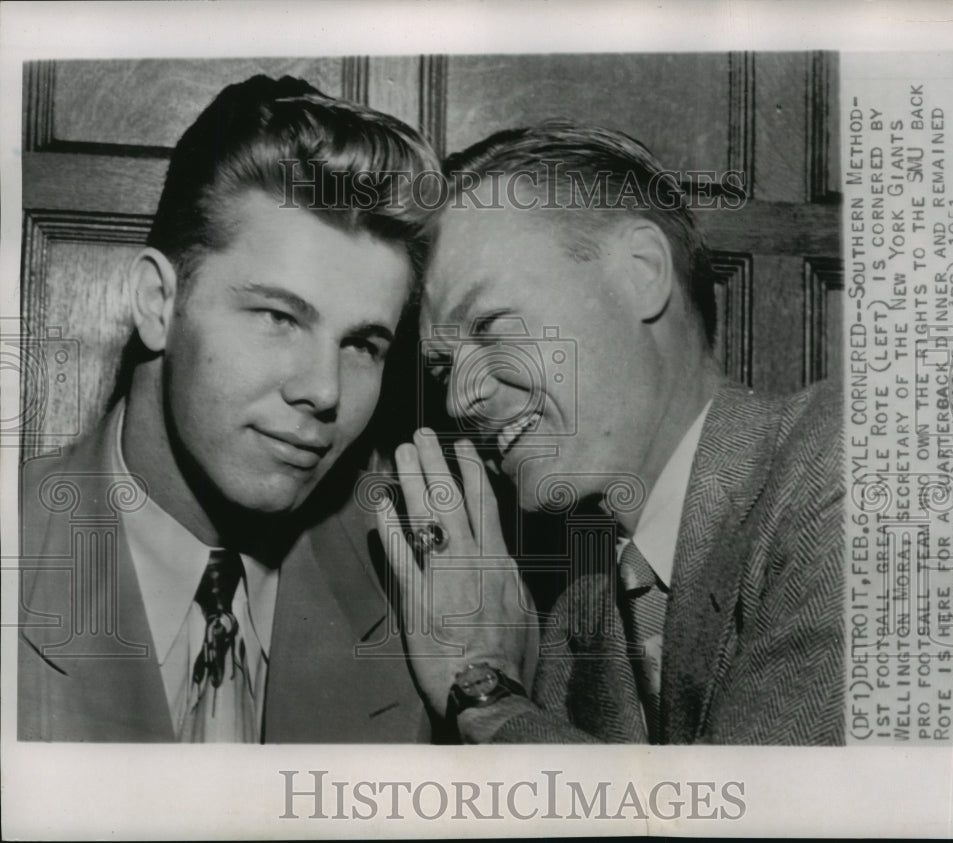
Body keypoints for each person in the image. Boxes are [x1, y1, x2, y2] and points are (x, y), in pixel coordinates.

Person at [376, 122, 845, 745]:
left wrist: (484, 693)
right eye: (440, 367)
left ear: (643, 272)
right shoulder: (578, 616)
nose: (462, 397)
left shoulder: (856, 462)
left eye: (488, 325)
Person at [18, 75, 440, 742]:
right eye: (278, 316)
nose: (324, 390)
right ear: (159, 302)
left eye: (362, 343)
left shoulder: (428, 602)